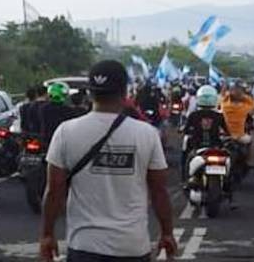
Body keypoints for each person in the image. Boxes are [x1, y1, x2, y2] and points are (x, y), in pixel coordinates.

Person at [40, 60, 176, 262]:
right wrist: (166, 233)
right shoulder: (146, 134)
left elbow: (54, 190)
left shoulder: (66, 132)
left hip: (84, 246)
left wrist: (47, 235)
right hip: (132, 247)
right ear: (125, 93)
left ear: (90, 93)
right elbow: (159, 191)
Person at [220, 82, 254, 166]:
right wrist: (241, 95)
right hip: (239, 136)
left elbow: (222, 97)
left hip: (225, 135)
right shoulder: (244, 107)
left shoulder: (225, 105)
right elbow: (252, 102)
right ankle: (249, 161)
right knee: (251, 141)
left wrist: (230, 93)